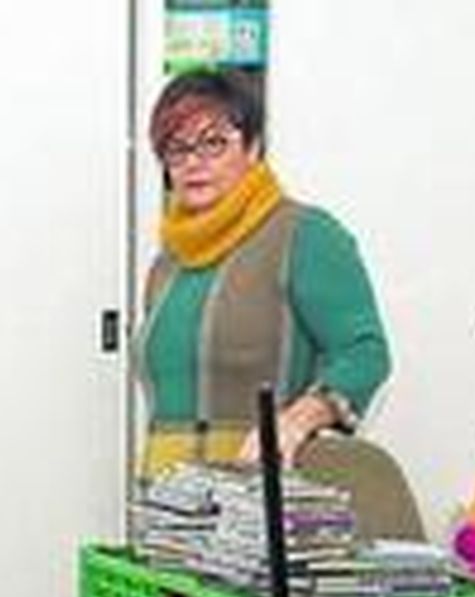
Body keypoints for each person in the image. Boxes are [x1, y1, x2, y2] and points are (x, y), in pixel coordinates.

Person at [138, 70, 392, 475]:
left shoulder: (304, 234)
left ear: (254, 146)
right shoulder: (165, 266)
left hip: (262, 497)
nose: (193, 163)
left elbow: (365, 353)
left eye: (214, 143)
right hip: (168, 507)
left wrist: (298, 419)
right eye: (176, 149)